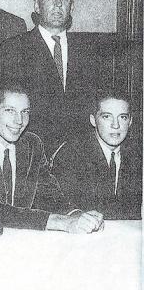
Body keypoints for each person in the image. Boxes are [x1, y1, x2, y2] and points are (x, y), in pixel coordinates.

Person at [0, 83, 105, 233]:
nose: (19, 121)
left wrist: (76, 215)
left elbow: (48, 195)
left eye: (25, 111)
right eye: (10, 110)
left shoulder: (32, 144)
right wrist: (60, 221)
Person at [0, 0, 112, 154]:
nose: (58, 4)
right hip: (29, 154)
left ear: (71, 6)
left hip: (78, 156)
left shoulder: (89, 51)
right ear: (37, 6)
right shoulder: (13, 48)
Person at [52, 89, 142, 220]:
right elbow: (62, 207)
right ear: (93, 120)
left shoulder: (137, 156)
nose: (115, 125)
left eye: (123, 117)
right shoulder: (71, 155)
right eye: (106, 116)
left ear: (130, 121)